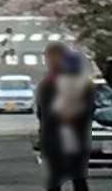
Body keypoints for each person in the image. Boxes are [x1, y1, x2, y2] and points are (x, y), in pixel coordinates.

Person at [35, 41, 94, 191]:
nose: (48, 61)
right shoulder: (50, 79)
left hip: (69, 132)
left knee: (72, 175)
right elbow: (42, 108)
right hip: (56, 134)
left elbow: (87, 106)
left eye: (50, 57)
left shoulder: (70, 79)